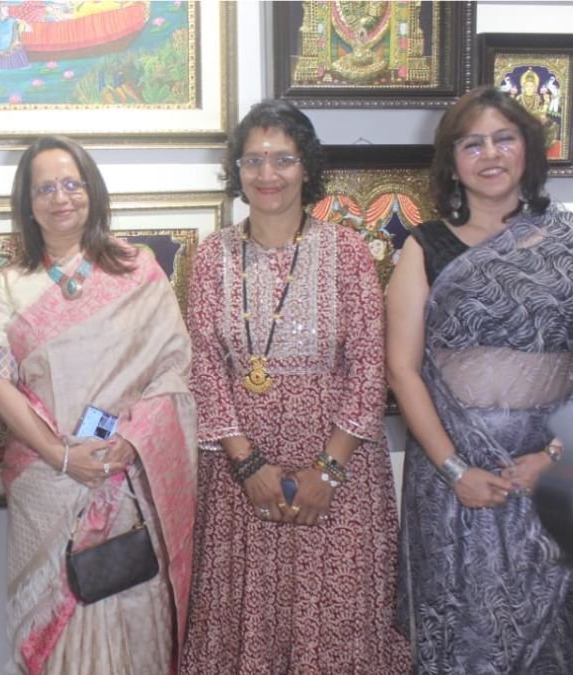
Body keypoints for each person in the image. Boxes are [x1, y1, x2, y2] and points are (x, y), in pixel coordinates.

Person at [388, 85, 573, 674]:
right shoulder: (425, 247)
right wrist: (455, 469)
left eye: (504, 139)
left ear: (528, 150)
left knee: (544, 637)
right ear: (452, 163)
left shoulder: (571, 240)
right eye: (472, 144)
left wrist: (555, 456)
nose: (490, 155)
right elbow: (402, 367)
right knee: (456, 633)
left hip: (549, 474)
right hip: (452, 478)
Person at [180, 100, 409, 674]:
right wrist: (248, 465)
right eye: (253, 160)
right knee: (246, 624)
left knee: (333, 624)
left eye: (283, 159)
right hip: (240, 480)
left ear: (307, 167)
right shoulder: (212, 256)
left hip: (338, 480)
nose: (268, 174)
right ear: (237, 170)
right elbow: (203, 365)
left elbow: (369, 366)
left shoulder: (348, 252)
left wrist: (326, 472)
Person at [0, 135, 197, 674]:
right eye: (45, 188)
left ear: (92, 191)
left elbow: (173, 368)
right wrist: (60, 455)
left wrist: (131, 441)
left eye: (71, 184)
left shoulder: (137, 270)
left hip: (127, 480)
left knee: (132, 612)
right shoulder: (13, 285)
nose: (60, 198)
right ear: (27, 203)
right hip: (46, 484)